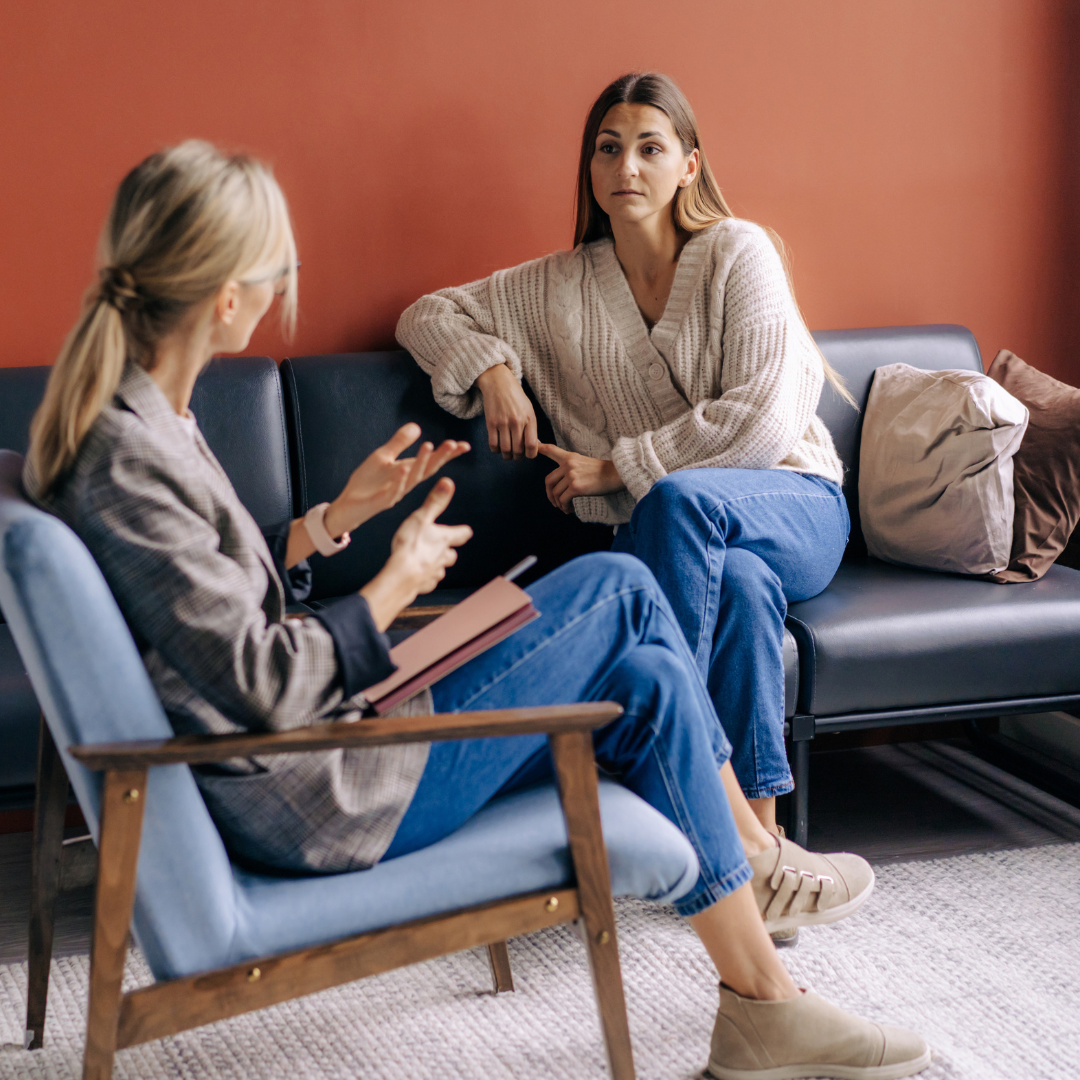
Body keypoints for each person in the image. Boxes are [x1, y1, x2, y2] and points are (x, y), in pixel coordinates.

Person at [25, 140, 929, 1080]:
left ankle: (762, 1005)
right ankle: (753, 852)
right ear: (223, 296)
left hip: (333, 739)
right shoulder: (126, 453)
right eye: (278, 271)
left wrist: (335, 521)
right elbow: (255, 682)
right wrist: (392, 586)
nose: (282, 287)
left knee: (650, 669)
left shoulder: (142, 421)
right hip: (318, 787)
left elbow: (205, 598)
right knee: (618, 591)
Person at [398, 72, 853, 858]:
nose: (626, 168)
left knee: (674, 504)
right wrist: (493, 372)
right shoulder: (558, 287)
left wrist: (615, 470)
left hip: (794, 502)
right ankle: (762, 847)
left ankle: (673, 778)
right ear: (591, 169)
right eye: (609, 150)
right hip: (691, 537)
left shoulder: (739, 253)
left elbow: (764, 419)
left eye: (650, 148)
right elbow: (427, 313)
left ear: (690, 166)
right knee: (738, 585)